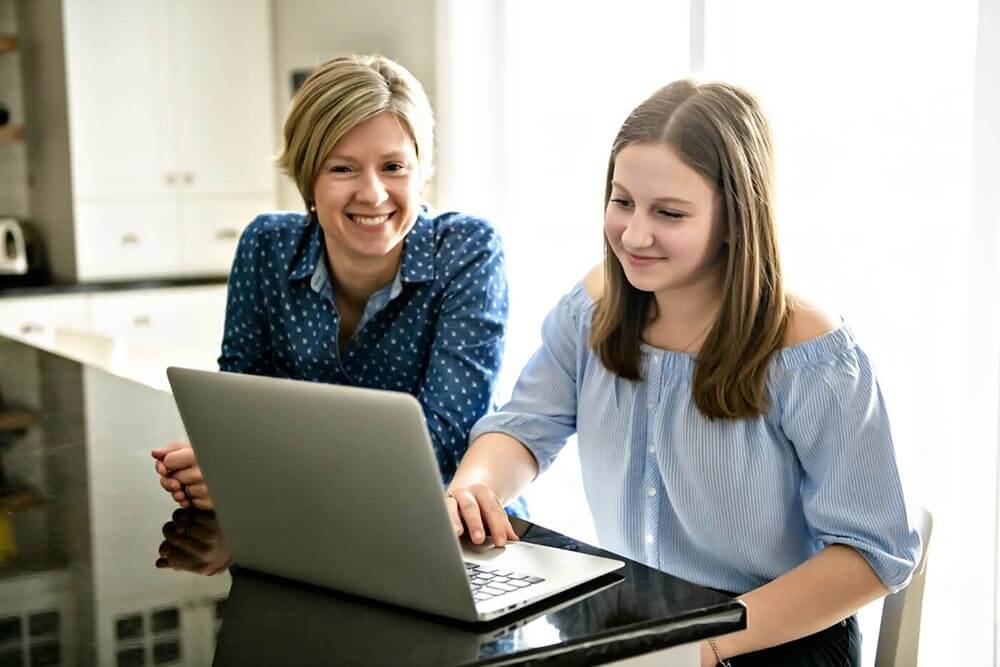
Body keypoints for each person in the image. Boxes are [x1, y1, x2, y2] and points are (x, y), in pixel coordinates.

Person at [444, 80, 921, 666]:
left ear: (733, 219)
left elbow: (874, 553)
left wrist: (705, 646)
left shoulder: (811, 354)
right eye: (623, 202)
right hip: (638, 624)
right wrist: (476, 485)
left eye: (668, 213)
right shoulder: (592, 308)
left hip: (771, 637)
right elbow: (525, 425)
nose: (634, 235)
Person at [152, 54, 525, 516]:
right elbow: (239, 408)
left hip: (443, 522)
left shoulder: (467, 249)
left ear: (420, 171)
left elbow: (440, 438)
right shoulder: (266, 246)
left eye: (393, 167)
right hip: (309, 517)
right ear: (309, 178)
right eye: (343, 168)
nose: (372, 193)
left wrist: (251, 472)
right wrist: (217, 465)